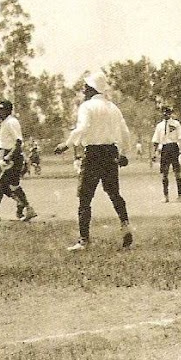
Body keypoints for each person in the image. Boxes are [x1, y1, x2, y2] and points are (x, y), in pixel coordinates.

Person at [55, 72, 133, 251]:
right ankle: (126, 226)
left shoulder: (87, 106)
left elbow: (82, 127)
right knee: (114, 193)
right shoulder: (113, 107)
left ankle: (84, 240)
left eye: (85, 86)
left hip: (93, 154)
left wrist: (66, 144)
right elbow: (125, 132)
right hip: (111, 152)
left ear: (91, 88)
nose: (83, 90)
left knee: (84, 197)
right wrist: (124, 153)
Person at [0, 100, 37, 222]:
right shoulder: (5, 123)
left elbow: (18, 142)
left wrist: (8, 157)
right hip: (7, 155)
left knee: (0, 184)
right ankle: (27, 208)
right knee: (13, 186)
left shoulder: (11, 122)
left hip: (12, 157)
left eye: (1, 109)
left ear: (8, 110)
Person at [151, 106, 181, 203]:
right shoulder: (159, 126)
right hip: (164, 149)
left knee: (177, 173)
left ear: (170, 113)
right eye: (164, 112)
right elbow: (156, 140)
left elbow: (180, 137)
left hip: (174, 147)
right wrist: (155, 153)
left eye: (168, 113)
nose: (165, 114)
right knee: (164, 173)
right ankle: (166, 196)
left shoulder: (176, 123)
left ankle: (180, 195)